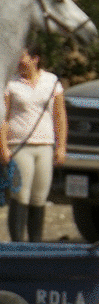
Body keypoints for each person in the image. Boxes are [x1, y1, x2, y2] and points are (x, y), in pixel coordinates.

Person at [2, 49, 67, 242]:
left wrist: (61, 145)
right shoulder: (10, 83)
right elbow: (3, 117)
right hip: (19, 145)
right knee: (20, 195)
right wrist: (3, 146)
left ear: (34, 59)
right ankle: (17, 243)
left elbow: (59, 115)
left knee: (39, 197)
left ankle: (36, 242)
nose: (18, 62)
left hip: (45, 144)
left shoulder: (52, 81)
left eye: (22, 57)